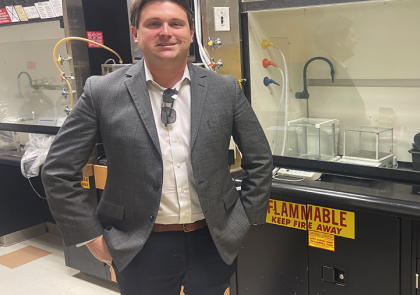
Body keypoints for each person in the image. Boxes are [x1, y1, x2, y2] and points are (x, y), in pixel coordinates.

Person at [41, 0, 273, 294]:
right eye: (153, 24)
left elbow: (260, 158)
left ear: (190, 33)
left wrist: (244, 222)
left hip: (213, 240)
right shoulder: (102, 92)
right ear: (135, 33)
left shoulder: (224, 89)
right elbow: (58, 171)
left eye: (176, 24)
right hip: (138, 244)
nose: (166, 32)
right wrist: (91, 238)